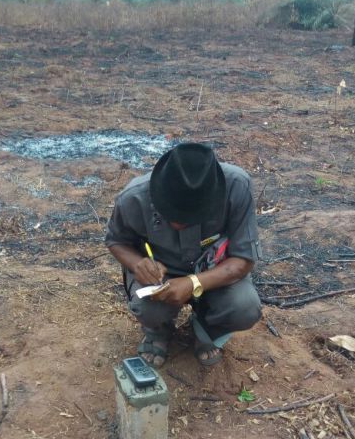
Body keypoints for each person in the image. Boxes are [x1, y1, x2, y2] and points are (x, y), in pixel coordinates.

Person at [105, 142, 261, 367]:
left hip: (216, 274)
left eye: (191, 216)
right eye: (171, 212)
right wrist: (138, 263)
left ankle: (206, 331)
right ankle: (158, 331)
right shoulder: (133, 197)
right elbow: (116, 241)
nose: (178, 224)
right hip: (162, 278)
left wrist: (193, 282)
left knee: (244, 307)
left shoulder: (236, 186)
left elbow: (244, 260)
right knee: (146, 307)